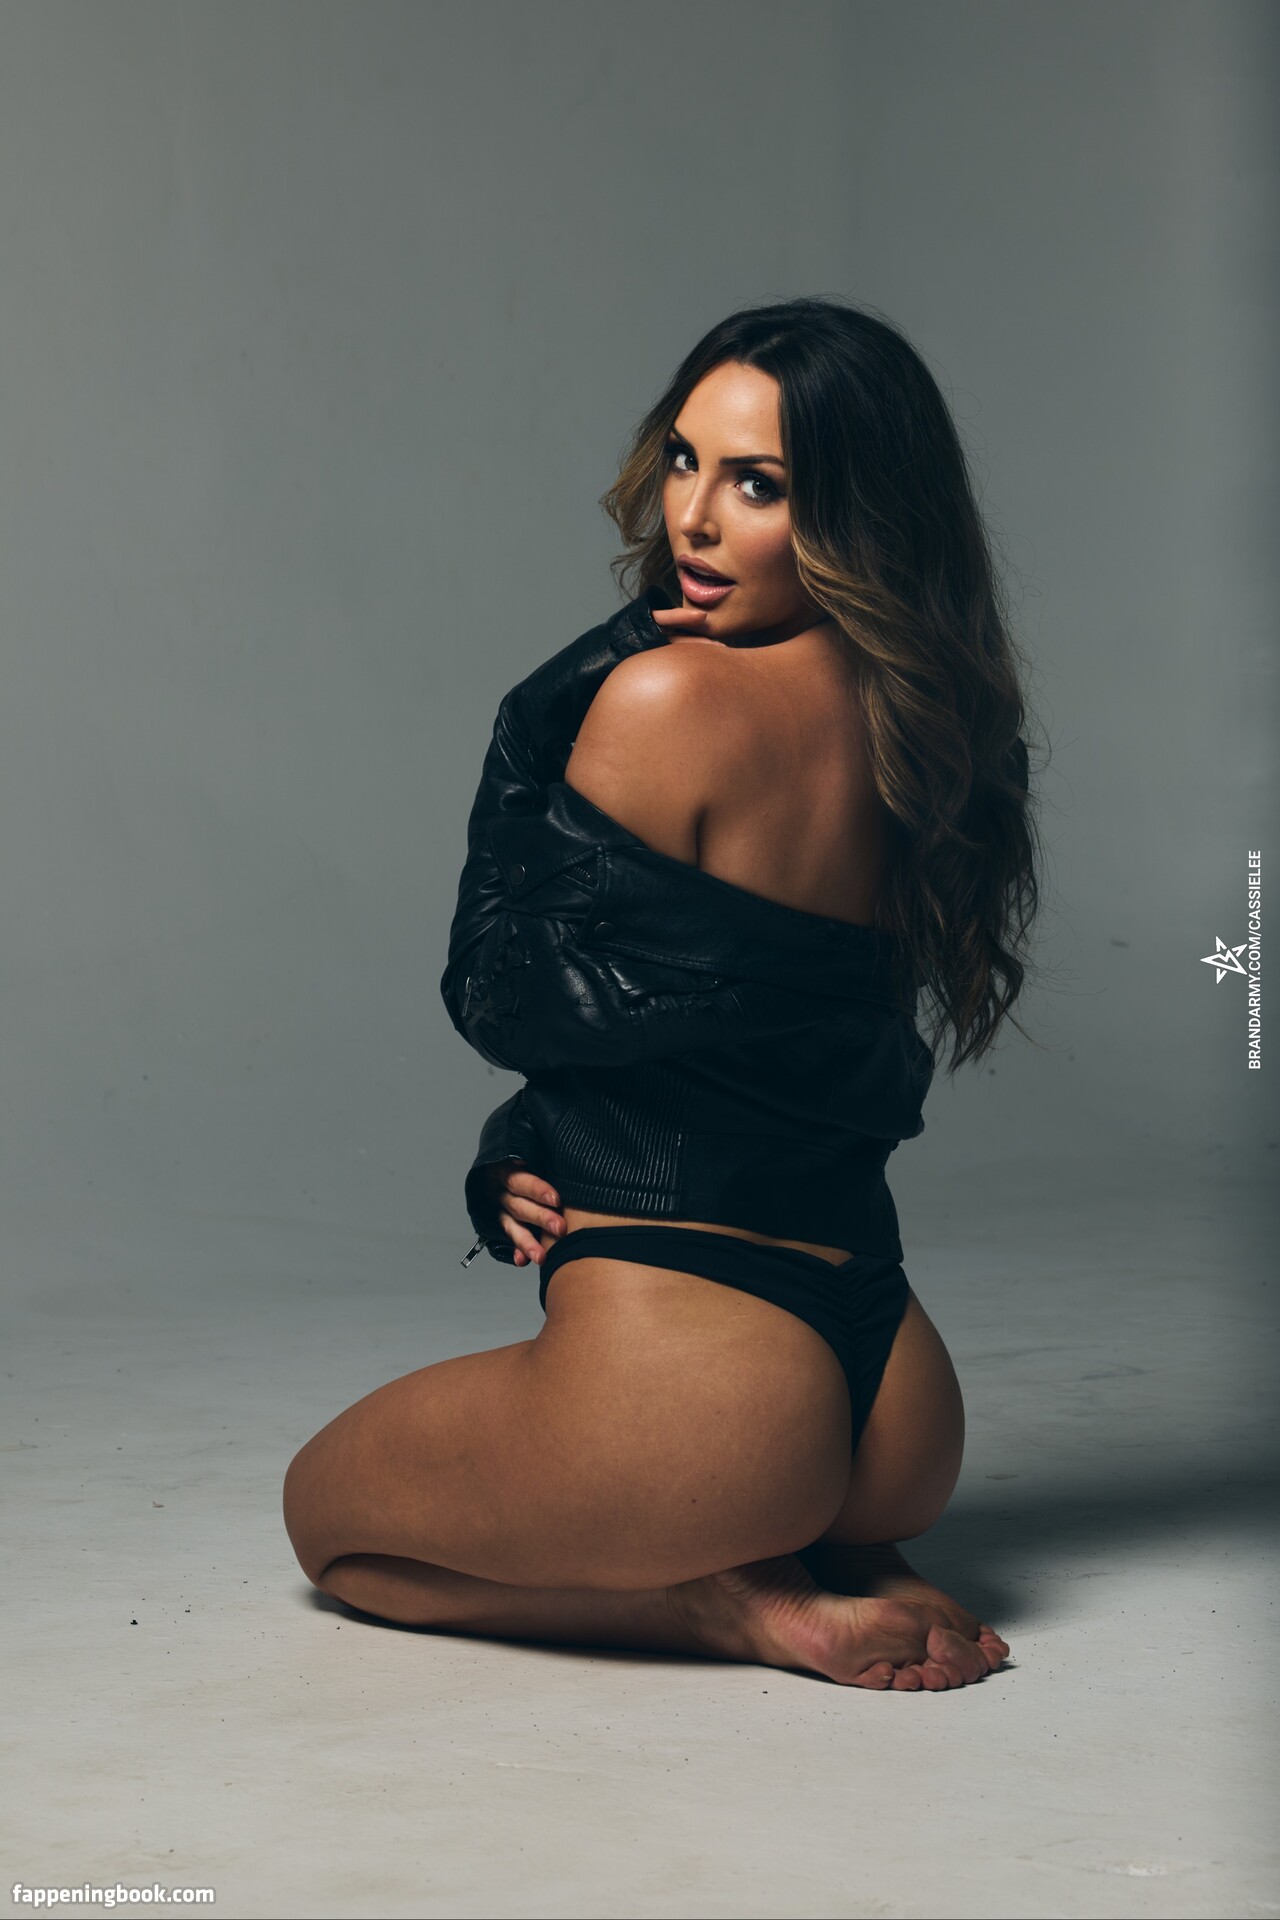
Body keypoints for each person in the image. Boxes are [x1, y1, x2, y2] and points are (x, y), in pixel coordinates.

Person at [283, 298, 1044, 1690]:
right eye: (686, 460)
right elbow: (747, 1015)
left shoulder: (666, 700)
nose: (691, 517)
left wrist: (545, 709)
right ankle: (851, 1548)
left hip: (707, 1396)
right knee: (735, 1470)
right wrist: (535, 1136)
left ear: (853, 515)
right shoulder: (928, 725)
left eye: (758, 484)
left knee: (330, 1527)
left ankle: (726, 1606)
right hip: (893, 1388)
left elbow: (505, 995)